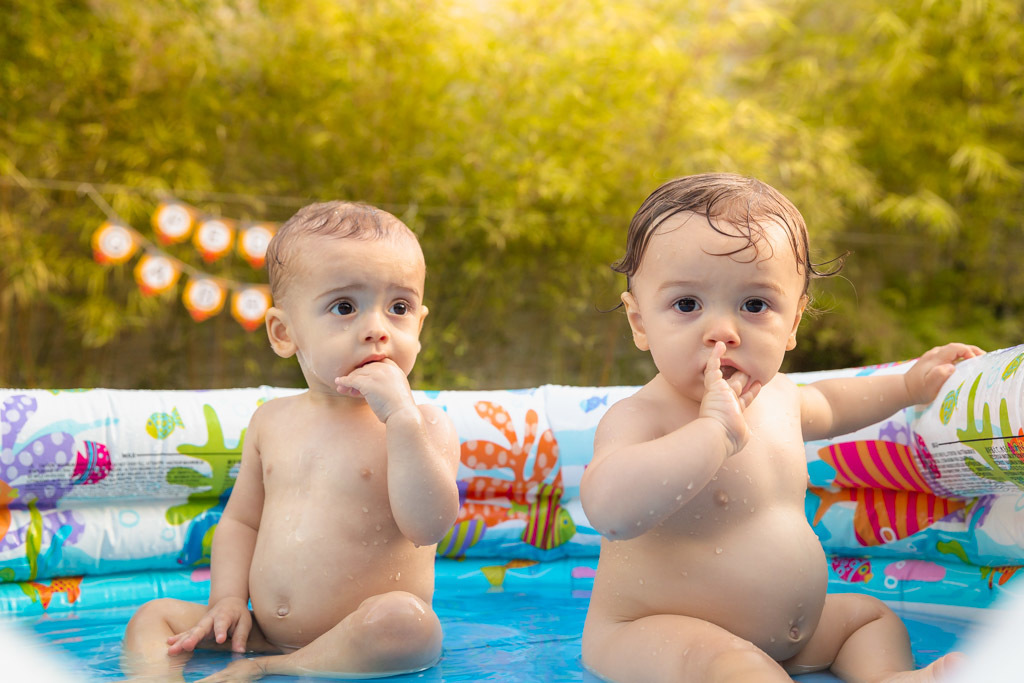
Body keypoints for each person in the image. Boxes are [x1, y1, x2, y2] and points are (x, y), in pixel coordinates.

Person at [579, 173, 979, 682]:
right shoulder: (642, 416)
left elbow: (833, 403)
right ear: (640, 323)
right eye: (687, 305)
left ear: (792, 324)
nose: (722, 331)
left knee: (869, 618)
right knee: (733, 665)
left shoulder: (781, 398)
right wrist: (712, 436)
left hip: (793, 638)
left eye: (754, 305)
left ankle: (889, 679)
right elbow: (610, 510)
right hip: (654, 635)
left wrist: (908, 386)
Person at [123, 201, 461, 681]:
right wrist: (226, 601)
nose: (377, 330)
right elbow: (241, 521)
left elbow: (428, 527)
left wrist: (401, 421)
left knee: (409, 625)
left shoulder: (422, 425)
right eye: (345, 307)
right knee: (152, 616)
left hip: (362, 637)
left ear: (419, 327)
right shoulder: (271, 422)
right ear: (285, 333)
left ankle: (277, 668)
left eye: (399, 308)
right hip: (257, 630)